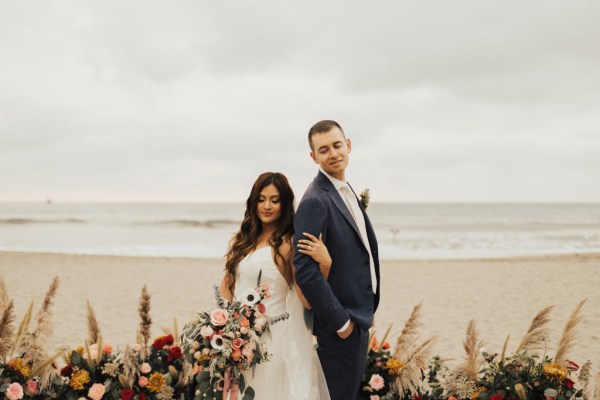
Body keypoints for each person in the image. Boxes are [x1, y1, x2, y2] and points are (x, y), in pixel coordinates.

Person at [219, 172, 331, 400]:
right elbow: (227, 290)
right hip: (242, 342)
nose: (267, 205)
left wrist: (325, 265)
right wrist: (225, 329)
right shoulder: (242, 241)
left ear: (285, 203)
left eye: (275, 200)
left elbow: (307, 299)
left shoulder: (289, 244)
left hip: (273, 343)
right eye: (261, 199)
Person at [293, 120, 381, 400]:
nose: (332, 153)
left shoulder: (347, 191)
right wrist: (342, 324)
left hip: (359, 316)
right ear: (313, 157)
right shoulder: (315, 200)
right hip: (340, 328)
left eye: (337, 145)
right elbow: (305, 273)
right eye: (323, 149)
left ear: (348, 145)